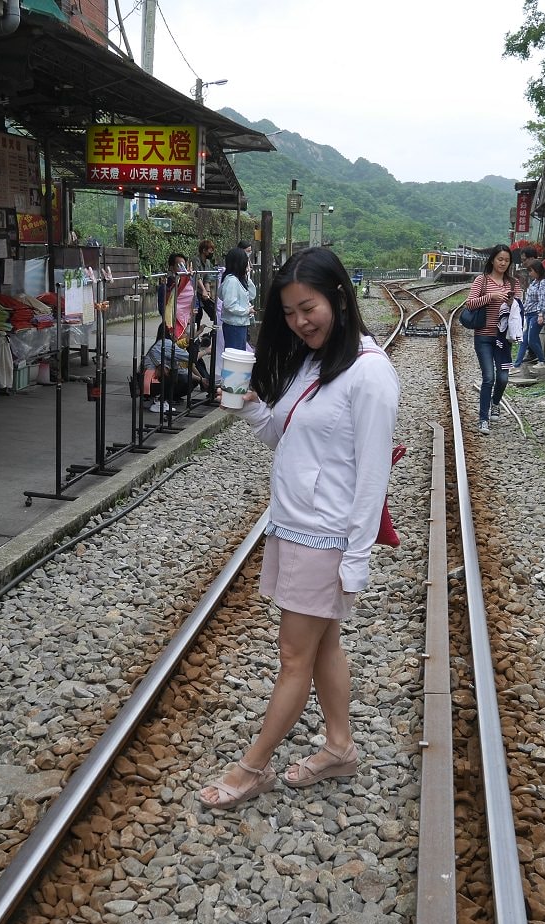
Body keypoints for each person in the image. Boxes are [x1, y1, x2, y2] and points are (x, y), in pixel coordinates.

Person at [198, 247, 400, 809]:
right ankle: (340, 747)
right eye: (287, 313)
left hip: (326, 536)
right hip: (294, 526)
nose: (298, 322)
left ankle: (251, 768)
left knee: (293, 656)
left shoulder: (370, 372)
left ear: (338, 296)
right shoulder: (315, 362)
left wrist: (355, 559)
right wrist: (251, 410)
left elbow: (372, 476)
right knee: (323, 643)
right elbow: (287, 439)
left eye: (307, 308)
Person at [465, 245, 521, 434]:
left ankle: (495, 403)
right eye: (500, 259)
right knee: (488, 377)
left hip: (503, 339)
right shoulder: (481, 280)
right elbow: (470, 303)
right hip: (483, 336)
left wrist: (512, 302)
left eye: (506, 260)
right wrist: (491, 296)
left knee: (503, 378)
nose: (503, 263)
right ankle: (483, 419)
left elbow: (520, 309)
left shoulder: (514, 283)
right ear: (492, 260)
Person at [517, 260, 545, 370]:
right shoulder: (535, 282)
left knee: (531, 339)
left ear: (537, 270)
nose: (530, 273)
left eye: (531, 271)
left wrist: (540, 314)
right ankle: (516, 364)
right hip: (529, 313)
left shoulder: (544, 283)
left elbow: (543, 299)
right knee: (526, 339)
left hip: (536, 314)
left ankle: (542, 361)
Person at [219, 246, 256, 350]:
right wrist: (246, 311)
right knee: (235, 358)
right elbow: (229, 305)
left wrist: (246, 276)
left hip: (239, 324)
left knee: (238, 357)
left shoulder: (238, 279)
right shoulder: (231, 281)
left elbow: (251, 294)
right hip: (234, 325)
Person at [157, 252, 195, 345]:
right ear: (171, 267)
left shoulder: (187, 284)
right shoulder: (166, 286)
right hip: (170, 327)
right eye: (179, 265)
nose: (183, 269)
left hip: (184, 325)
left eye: (184, 266)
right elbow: (163, 310)